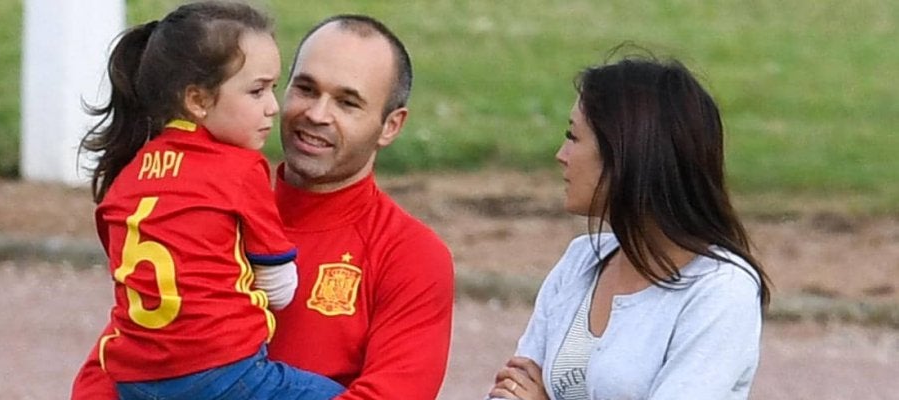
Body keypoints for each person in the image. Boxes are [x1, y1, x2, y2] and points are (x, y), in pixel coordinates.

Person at [72, 13, 455, 400]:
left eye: (347, 102)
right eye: (305, 89)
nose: (317, 114)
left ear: (391, 125)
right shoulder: (203, 209)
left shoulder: (412, 256)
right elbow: (115, 367)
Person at [72, 1, 343, 399]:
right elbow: (279, 288)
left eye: (273, 89)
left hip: (135, 381)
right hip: (220, 372)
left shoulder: (128, 177)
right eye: (257, 91)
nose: (273, 107)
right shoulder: (238, 169)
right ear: (197, 100)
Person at [488, 54, 771, 400]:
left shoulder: (720, 290)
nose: (561, 155)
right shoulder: (581, 262)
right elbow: (510, 389)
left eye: (573, 137)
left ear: (627, 154)